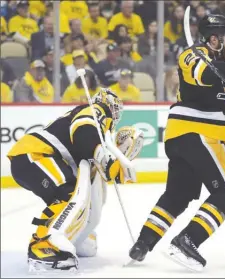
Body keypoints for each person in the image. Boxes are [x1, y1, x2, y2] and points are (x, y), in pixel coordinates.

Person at [128, 14, 225, 271]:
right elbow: (204, 74)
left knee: (178, 196)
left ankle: (143, 243)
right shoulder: (193, 54)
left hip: (182, 137)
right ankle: (187, 241)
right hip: (201, 133)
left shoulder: (224, 64)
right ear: (214, 38)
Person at [7, 88, 144, 272]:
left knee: (71, 195)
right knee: (68, 194)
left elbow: (99, 171)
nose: (115, 113)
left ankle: (72, 237)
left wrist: (118, 161)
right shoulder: (96, 110)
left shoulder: (100, 133)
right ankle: (43, 246)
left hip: (38, 157)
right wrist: (105, 158)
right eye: (114, 108)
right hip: (35, 154)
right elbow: (84, 130)